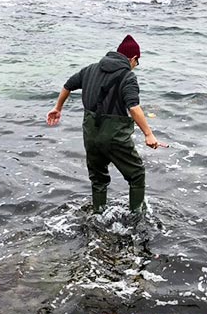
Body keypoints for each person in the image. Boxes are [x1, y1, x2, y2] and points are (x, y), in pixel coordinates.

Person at [46, 35, 163, 214]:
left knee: (98, 179)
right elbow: (133, 107)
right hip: (114, 137)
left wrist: (57, 107)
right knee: (137, 174)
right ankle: (137, 217)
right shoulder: (128, 77)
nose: (136, 66)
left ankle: (98, 214)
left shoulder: (91, 69)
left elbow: (68, 85)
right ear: (133, 59)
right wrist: (148, 134)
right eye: (137, 62)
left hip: (91, 134)